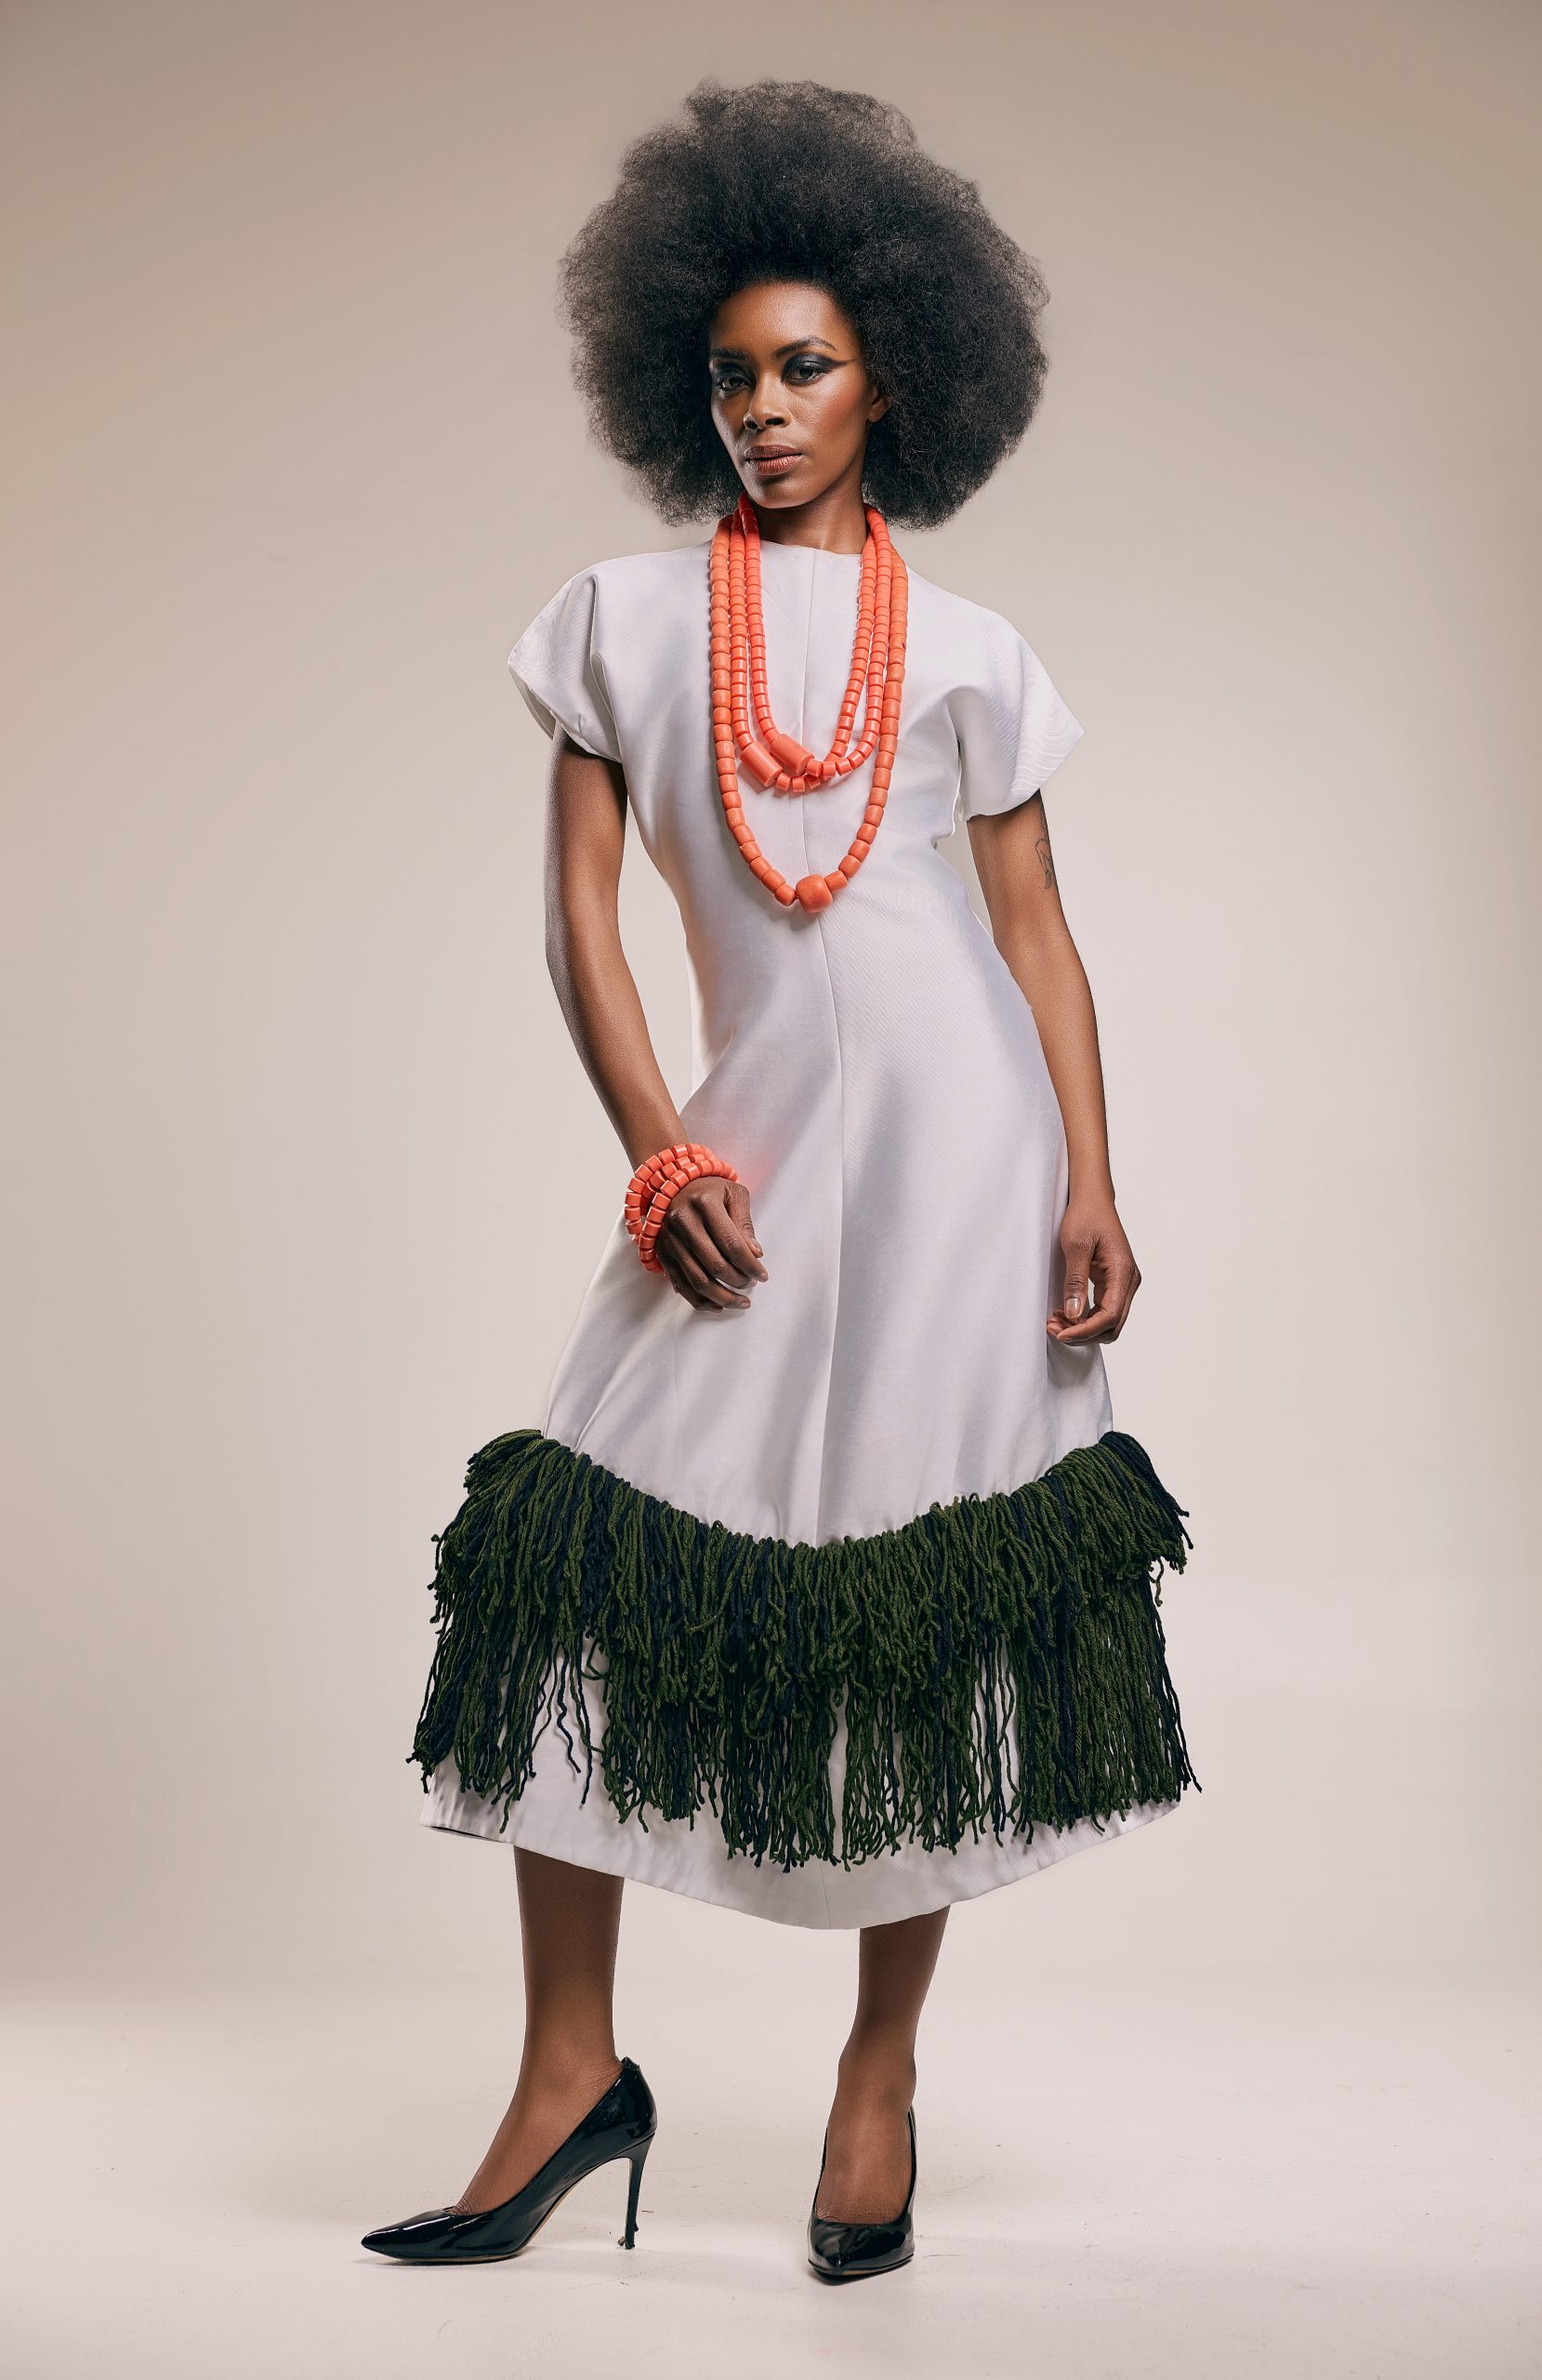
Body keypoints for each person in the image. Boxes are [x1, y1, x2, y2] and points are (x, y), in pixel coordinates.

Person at [361, 75, 1197, 2282]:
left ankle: (874, 2078)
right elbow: (580, 923)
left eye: (802, 366)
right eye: (727, 372)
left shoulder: (971, 650)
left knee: (917, 1589)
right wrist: (658, 1148)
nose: (759, 407)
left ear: (890, 374)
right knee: (573, 1550)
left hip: (964, 1149)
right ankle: (568, 2069)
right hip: (744, 1146)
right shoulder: (620, 621)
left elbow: (1032, 934)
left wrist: (1091, 1177)